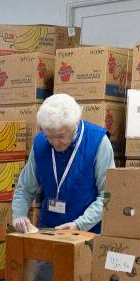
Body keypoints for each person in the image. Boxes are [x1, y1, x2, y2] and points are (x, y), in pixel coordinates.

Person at [11, 93, 115, 237]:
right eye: (49, 136)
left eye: (60, 136)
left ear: (75, 125)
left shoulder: (99, 142)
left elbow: (108, 195)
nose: (55, 142)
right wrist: (19, 215)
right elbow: (24, 188)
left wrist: (79, 224)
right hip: (48, 231)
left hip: (87, 234)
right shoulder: (40, 144)